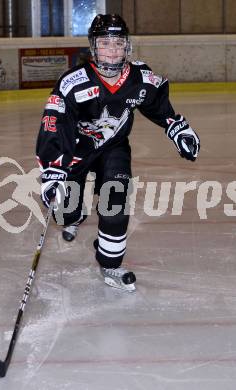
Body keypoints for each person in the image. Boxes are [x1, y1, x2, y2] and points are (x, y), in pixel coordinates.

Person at [36, 14, 200, 293]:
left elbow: (157, 102)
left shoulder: (140, 77)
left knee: (115, 199)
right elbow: (54, 124)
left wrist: (176, 127)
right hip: (76, 149)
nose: (112, 50)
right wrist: (53, 171)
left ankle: (110, 262)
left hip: (114, 148)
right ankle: (74, 216)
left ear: (128, 46)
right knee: (64, 211)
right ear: (93, 46)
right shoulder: (73, 83)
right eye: (105, 43)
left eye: (118, 43)